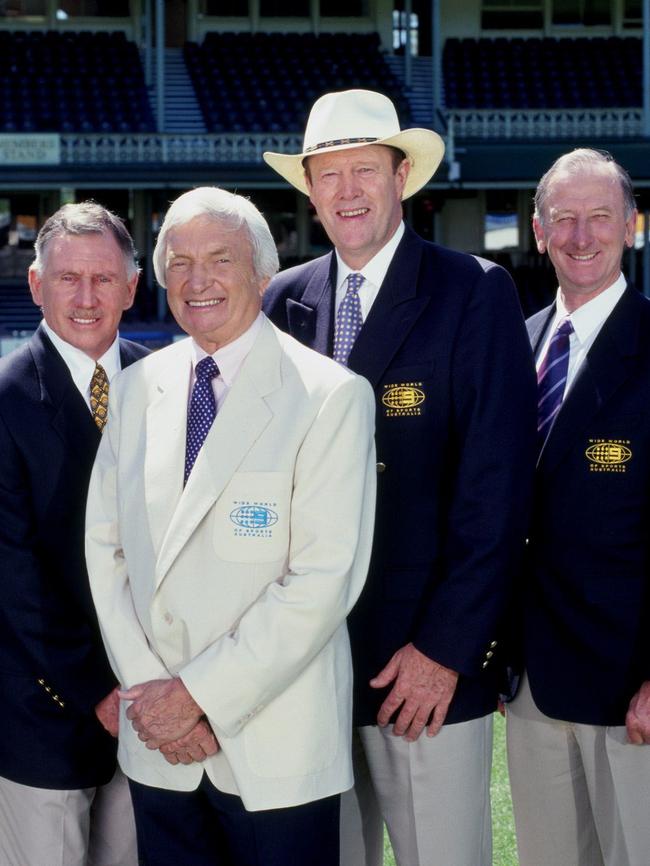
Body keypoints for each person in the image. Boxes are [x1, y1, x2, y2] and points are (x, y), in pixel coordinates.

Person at [262, 88, 537, 866]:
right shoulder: (285, 302)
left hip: (424, 671)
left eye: (364, 170)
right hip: (311, 671)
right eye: (328, 174)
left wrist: (445, 651)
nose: (346, 192)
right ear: (309, 190)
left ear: (402, 176)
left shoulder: (473, 292)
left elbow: (498, 492)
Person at [84, 186, 377, 866]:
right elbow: (107, 551)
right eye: (179, 262)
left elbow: (321, 581)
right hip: (160, 745)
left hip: (274, 746)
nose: (198, 280)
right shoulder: (135, 388)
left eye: (220, 258)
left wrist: (197, 697)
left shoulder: (329, 396)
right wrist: (156, 700)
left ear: (263, 272)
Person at [506, 148, 650, 866]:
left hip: (631, 691)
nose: (581, 236)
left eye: (600, 217)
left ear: (632, 226)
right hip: (529, 684)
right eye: (564, 219)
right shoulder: (513, 345)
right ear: (539, 231)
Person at [0, 202, 147, 866]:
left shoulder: (167, 385)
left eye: (104, 279)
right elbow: (15, 576)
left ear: (132, 287)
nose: (87, 298)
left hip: (152, 710)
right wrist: (95, 690)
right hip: (43, 712)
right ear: (36, 285)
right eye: (67, 279)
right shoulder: (4, 398)